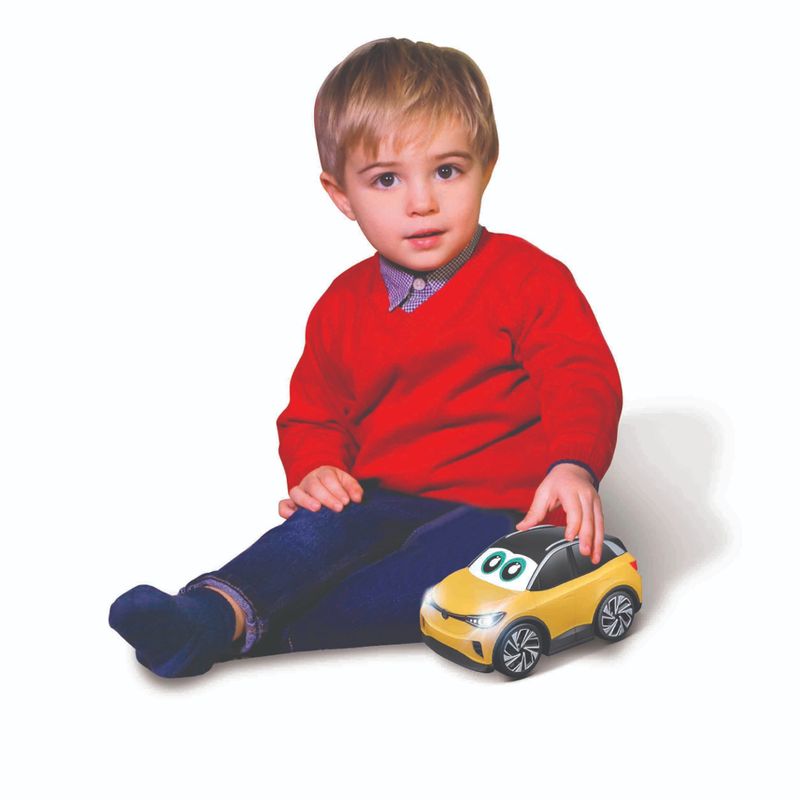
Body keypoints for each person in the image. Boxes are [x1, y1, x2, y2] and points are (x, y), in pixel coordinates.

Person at [109, 37, 623, 678]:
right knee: (309, 539)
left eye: (447, 171)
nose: (421, 202)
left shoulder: (529, 278)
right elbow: (314, 413)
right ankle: (210, 611)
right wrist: (316, 468)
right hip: (378, 496)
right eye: (386, 179)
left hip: (503, 507)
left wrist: (574, 463)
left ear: (486, 167)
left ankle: (251, 637)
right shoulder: (341, 304)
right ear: (341, 195)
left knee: (432, 582)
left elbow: (580, 376)